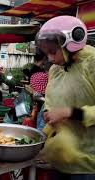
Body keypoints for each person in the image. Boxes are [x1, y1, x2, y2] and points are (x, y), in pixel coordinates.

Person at [36, 15, 95, 179]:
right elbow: (51, 103)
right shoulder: (56, 69)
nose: (50, 59)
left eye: (53, 52)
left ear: (71, 45)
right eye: (46, 53)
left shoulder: (92, 63)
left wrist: (70, 112)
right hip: (60, 159)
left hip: (88, 165)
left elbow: (65, 111)